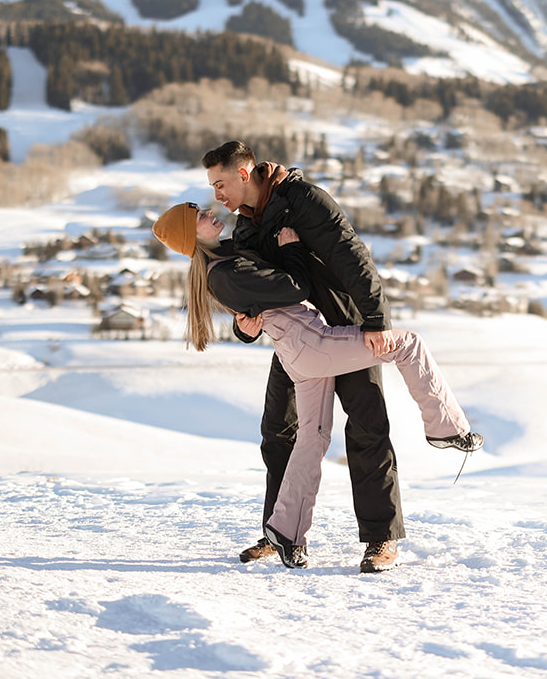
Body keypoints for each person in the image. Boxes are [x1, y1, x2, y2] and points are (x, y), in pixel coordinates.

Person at [151, 201, 481, 569]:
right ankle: (447, 429)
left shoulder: (227, 260)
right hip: (313, 344)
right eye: (200, 217)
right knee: (406, 344)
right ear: (190, 235)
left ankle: (287, 534)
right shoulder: (226, 271)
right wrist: (292, 247)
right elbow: (295, 287)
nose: (211, 213)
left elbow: (255, 306)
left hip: (299, 352)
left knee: (313, 437)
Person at [201, 141, 406, 573]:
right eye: (212, 187)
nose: (217, 195)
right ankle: (279, 534)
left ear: (244, 173)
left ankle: (381, 539)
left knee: (367, 427)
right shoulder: (244, 229)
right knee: (279, 431)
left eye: (220, 184)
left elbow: (352, 256)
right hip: (296, 339)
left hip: (348, 325)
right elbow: (254, 293)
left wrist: (375, 318)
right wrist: (244, 326)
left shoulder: (304, 200)